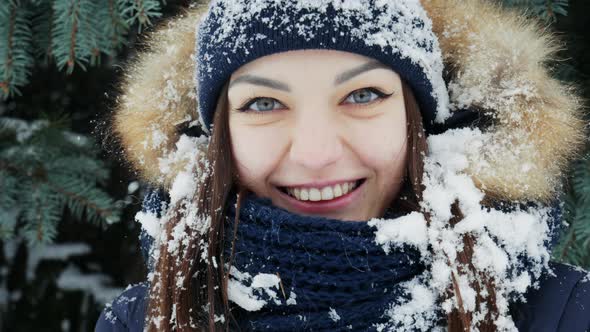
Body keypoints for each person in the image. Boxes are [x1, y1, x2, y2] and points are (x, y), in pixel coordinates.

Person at [96, 0, 590, 331]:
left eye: (363, 94)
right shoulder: (138, 320)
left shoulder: (566, 312)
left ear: (420, 122)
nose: (315, 155)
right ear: (216, 139)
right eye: (264, 104)